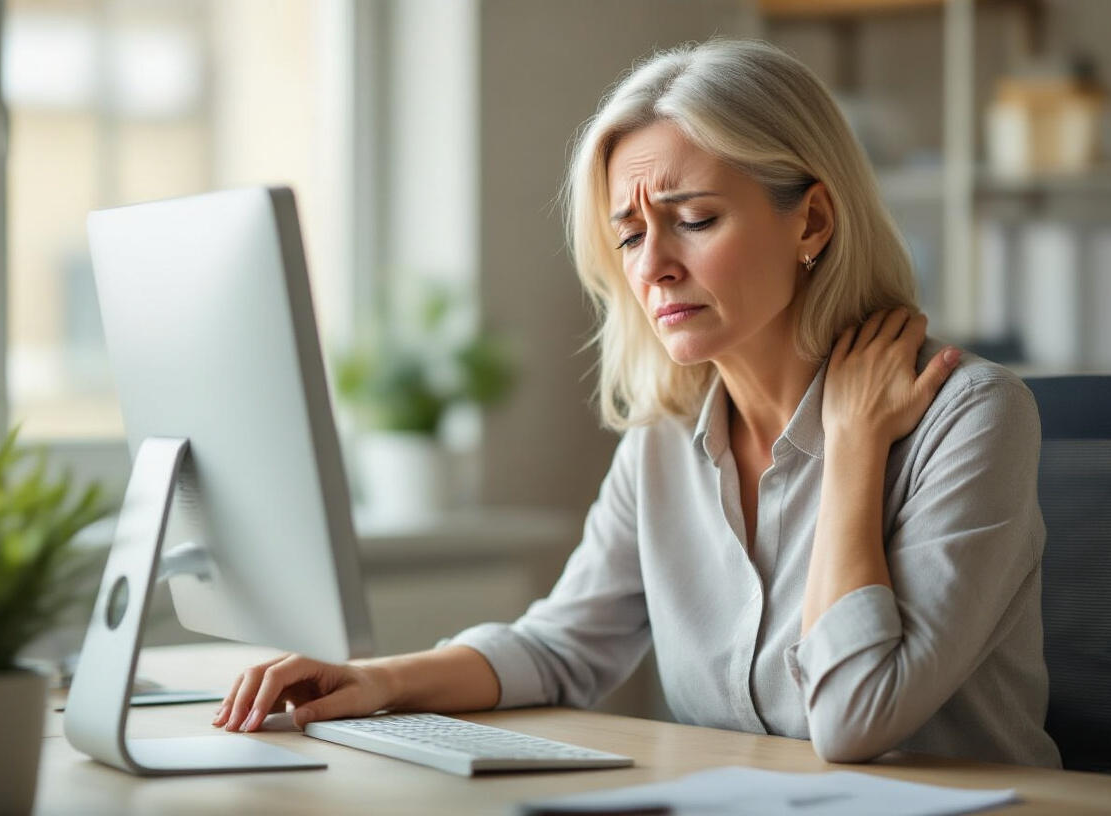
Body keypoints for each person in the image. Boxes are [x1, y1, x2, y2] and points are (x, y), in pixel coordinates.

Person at [213, 38, 1061, 768]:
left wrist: (853, 449)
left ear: (812, 223)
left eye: (693, 219)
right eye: (628, 233)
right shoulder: (665, 442)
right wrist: (376, 679)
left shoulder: (971, 418)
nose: (651, 266)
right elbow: (562, 646)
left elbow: (853, 716)